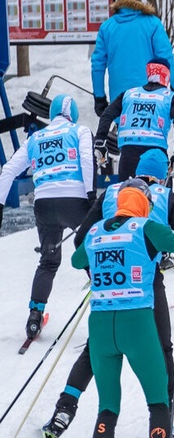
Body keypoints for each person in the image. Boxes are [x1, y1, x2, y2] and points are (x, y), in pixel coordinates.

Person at [44, 150, 174, 438]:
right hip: (147, 286)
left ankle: (63, 412)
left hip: (108, 286)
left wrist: (98, 272)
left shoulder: (112, 193)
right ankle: (165, 422)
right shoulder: (165, 196)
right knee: (163, 349)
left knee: (95, 351)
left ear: (135, 172)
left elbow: (80, 239)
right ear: (163, 174)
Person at [70, 183, 174, 438]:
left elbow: (76, 259)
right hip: (137, 325)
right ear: (144, 204)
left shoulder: (96, 231)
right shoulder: (147, 228)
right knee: (158, 402)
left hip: (101, 327)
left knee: (107, 406)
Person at [0, 94, 95, 342]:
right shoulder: (80, 130)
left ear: (51, 114)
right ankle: (114, 300)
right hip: (75, 201)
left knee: (49, 261)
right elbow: (86, 159)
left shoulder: (35, 138)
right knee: (94, 249)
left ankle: (35, 314)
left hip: (44, 205)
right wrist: (91, 193)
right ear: (72, 114)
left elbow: (8, 170)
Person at [91, 0, 174, 117]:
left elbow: (98, 64)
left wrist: (99, 97)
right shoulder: (153, 24)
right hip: (150, 97)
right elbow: (165, 57)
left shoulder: (107, 27)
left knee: (123, 134)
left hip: (120, 100)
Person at [95, 58, 174, 180]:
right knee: (159, 196)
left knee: (127, 195)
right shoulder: (170, 97)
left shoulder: (129, 94)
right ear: (166, 75)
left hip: (129, 152)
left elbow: (107, 115)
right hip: (156, 155)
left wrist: (100, 141)